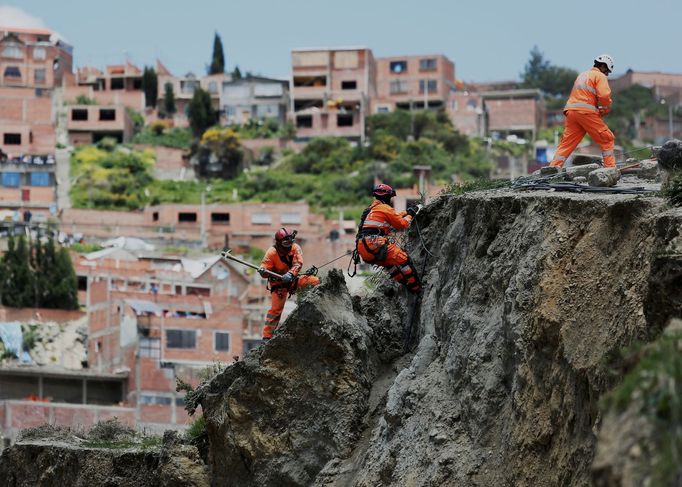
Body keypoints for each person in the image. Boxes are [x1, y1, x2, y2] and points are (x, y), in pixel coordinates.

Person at [549, 54, 616, 169]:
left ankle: (552, 169)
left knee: (566, 144)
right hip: (585, 112)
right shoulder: (599, 76)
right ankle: (610, 169)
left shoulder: (583, 75)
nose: (607, 74)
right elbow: (604, 95)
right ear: (604, 67)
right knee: (607, 138)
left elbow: (583, 95)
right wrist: (605, 109)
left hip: (571, 112)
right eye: (607, 72)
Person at [356, 183, 422, 293]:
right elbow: (402, 224)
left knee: (390, 265)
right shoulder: (385, 208)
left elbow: (393, 216)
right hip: (374, 245)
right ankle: (416, 288)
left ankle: (406, 285)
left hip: (363, 249)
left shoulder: (370, 209)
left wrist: (407, 211)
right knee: (403, 259)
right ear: (387, 197)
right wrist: (412, 214)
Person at [258, 228, 320, 340]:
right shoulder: (271, 253)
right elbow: (265, 268)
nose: (289, 245)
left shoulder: (295, 248)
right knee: (275, 310)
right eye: (286, 243)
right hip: (279, 285)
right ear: (279, 243)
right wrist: (263, 271)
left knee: (315, 281)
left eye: (290, 242)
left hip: (294, 279)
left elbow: (298, 263)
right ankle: (267, 337)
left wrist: (291, 274)